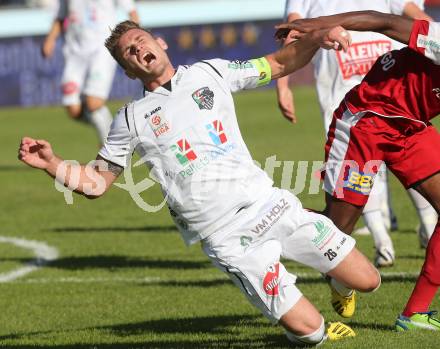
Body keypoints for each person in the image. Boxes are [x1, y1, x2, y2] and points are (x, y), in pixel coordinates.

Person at [19, 20, 381, 345]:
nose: (138, 50)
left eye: (140, 41)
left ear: (160, 43)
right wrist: (51, 163)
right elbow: (96, 184)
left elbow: (280, 63)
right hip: (228, 237)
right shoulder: (130, 119)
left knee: (369, 281)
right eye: (129, 51)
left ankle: (336, 283)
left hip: (271, 204)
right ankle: (299, 325)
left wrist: (320, 37)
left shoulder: (212, 72)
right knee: (313, 332)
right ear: (128, 71)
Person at [276, 10, 440, 331]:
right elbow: (385, 21)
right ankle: (264, 215)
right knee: (337, 232)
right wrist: (319, 25)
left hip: (411, 130)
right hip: (365, 122)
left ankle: (415, 313)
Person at [42, 0, 139, 143]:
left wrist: (135, 40)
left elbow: (132, 12)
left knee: (93, 103)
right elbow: (61, 16)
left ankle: (110, 146)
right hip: (74, 52)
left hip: (102, 49)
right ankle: (114, 133)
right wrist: (50, 39)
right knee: (73, 109)